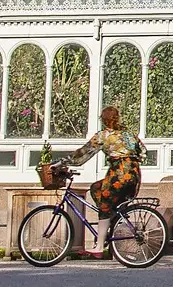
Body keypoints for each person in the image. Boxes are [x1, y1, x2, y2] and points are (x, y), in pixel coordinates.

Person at [59, 105, 143, 251]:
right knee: (96, 188)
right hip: (134, 174)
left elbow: (81, 155)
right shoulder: (128, 133)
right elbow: (143, 151)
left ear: (103, 120)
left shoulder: (103, 136)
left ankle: (99, 246)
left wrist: (60, 163)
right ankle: (113, 219)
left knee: (104, 204)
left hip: (119, 173)